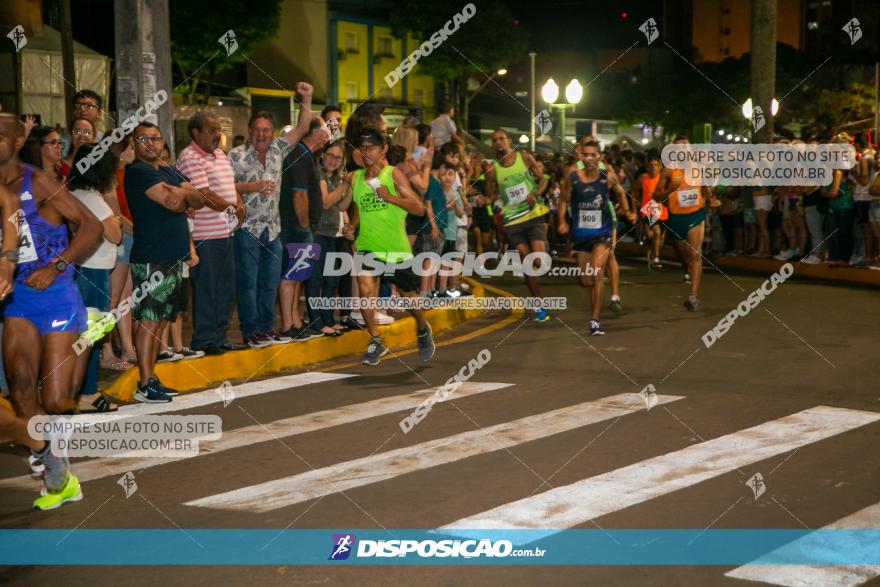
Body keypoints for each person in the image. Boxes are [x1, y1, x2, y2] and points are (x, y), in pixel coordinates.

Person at [0, 112, 101, 508]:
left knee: (58, 398)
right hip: (17, 300)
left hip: (56, 292)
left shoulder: (37, 181)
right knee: (23, 389)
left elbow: (91, 226)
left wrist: (56, 265)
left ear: (15, 140)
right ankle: (55, 469)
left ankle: (88, 332)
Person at [125, 122, 209, 402]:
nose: (150, 143)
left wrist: (183, 194)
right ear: (134, 144)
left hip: (172, 257)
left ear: (163, 142)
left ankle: (152, 378)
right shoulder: (138, 172)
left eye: (155, 138)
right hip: (152, 257)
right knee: (149, 321)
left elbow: (198, 199)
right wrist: (184, 195)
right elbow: (174, 203)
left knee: (160, 321)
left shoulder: (168, 170)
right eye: (143, 138)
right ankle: (144, 383)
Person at [229, 83, 316, 347]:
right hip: (246, 229)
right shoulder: (236, 156)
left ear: (273, 132)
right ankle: (250, 330)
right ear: (249, 132)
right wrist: (250, 187)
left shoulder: (279, 148)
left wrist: (307, 97)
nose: (262, 134)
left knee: (269, 284)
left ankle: (266, 328)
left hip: (273, 229)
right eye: (257, 130)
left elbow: (302, 128)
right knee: (248, 284)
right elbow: (223, 188)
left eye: (266, 130)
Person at [343, 128, 435, 365]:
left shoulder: (393, 175)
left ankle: (423, 328)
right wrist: (351, 227)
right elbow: (358, 210)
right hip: (367, 246)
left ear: (383, 149)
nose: (365, 152)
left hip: (395, 248)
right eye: (362, 148)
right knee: (365, 289)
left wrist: (390, 197)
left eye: (370, 147)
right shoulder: (356, 178)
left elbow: (418, 209)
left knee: (408, 296)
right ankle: (376, 338)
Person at [176, 112, 247, 355]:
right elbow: (204, 195)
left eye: (219, 129)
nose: (218, 134)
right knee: (207, 288)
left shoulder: (220, 155)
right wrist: (231, 208)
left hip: (225, 233)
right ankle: (204, 339)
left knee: (226, 288)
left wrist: (240, 206)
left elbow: (230, 187)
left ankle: (219, 336)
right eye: (212, 130)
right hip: (205, 235)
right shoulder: (189, 157)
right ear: (195, 132)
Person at [558, 140, 635, 335]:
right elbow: (563, 198)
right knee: (586, 280)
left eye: (593, 154)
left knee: (597, 273)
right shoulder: (572, 176)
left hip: (602, 234)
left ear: (599, 157)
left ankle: (595, 320)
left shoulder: (607, 176)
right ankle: (597, 299)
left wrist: (627, 211)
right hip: (581, 236)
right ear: (580, 157)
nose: (589, 158)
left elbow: (621, 193)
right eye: (586, 154)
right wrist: (562, 221)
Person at [67, 144, 122, 412]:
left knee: (87, 333)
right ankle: (87, 392)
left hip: (84, 270)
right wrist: (114, 218)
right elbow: (116, 235)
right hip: (95, 273)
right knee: (92, 335)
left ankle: (82, 390)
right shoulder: (93, 199)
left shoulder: (73, 193)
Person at [485, 129, 550, 321]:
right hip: (513, 220)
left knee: (538, 261)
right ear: (492, 145)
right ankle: (539, 305)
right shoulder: (493, 169)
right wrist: (484, 201)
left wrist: (536, 194)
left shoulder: (524, 157)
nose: (498, 143)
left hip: (533, 214)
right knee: (527, 262)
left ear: (509, 141)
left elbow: (543, 180)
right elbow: (490, 197)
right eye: (495, 140)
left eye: (501, 139)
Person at [279, 117, 335, 339]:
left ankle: (294, 320)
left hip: (304, 226)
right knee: (290, 276)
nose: (327, 138)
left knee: (298, 277)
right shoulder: (300, 155)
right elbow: (299, 194)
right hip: (296, 226)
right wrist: (304, 227)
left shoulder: (306, 155)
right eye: (325, 133)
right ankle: (287, 325)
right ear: (315, 133)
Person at [651, 136, 720, 310]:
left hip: (695, 215)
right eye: (679, 147)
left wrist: (711, 198)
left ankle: (693, 297)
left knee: (695, 255)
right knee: (686, 257)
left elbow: (705, 189)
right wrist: (670, 190)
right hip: (676, 218)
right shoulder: (668, 171)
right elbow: (656, 196)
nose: (683, 150)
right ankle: (690, 271)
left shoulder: (699, 169)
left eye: (686, 147)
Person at [634, 154, 667, 268]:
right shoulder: (643, 178)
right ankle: (657, 258)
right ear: (647, 167)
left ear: (660, 167)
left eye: (656, 165)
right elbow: (635, 190)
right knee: (656, 232)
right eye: (651, 165)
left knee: (660, 237)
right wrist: (637, 203)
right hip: (649, 209)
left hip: (663, 210)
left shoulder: (664, 179)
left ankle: (653, 253)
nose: (653, 167)